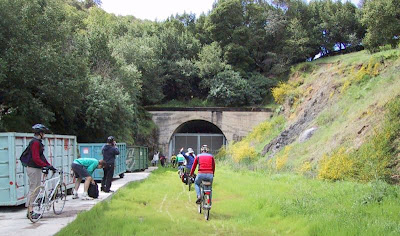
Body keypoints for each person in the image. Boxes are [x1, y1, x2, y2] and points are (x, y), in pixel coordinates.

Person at [26, 124, 56, 220]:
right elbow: (36, 158)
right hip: (33, 168)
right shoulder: (35, 143)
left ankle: (30, 211)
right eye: (44, 133)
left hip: (36, 168)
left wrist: (49, 165)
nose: (45, 135)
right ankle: (30, 212)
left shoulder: (38, 142)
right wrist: (45, 165)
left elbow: (41, 157)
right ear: (40, 133)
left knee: (36, 189)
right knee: (34, 189)